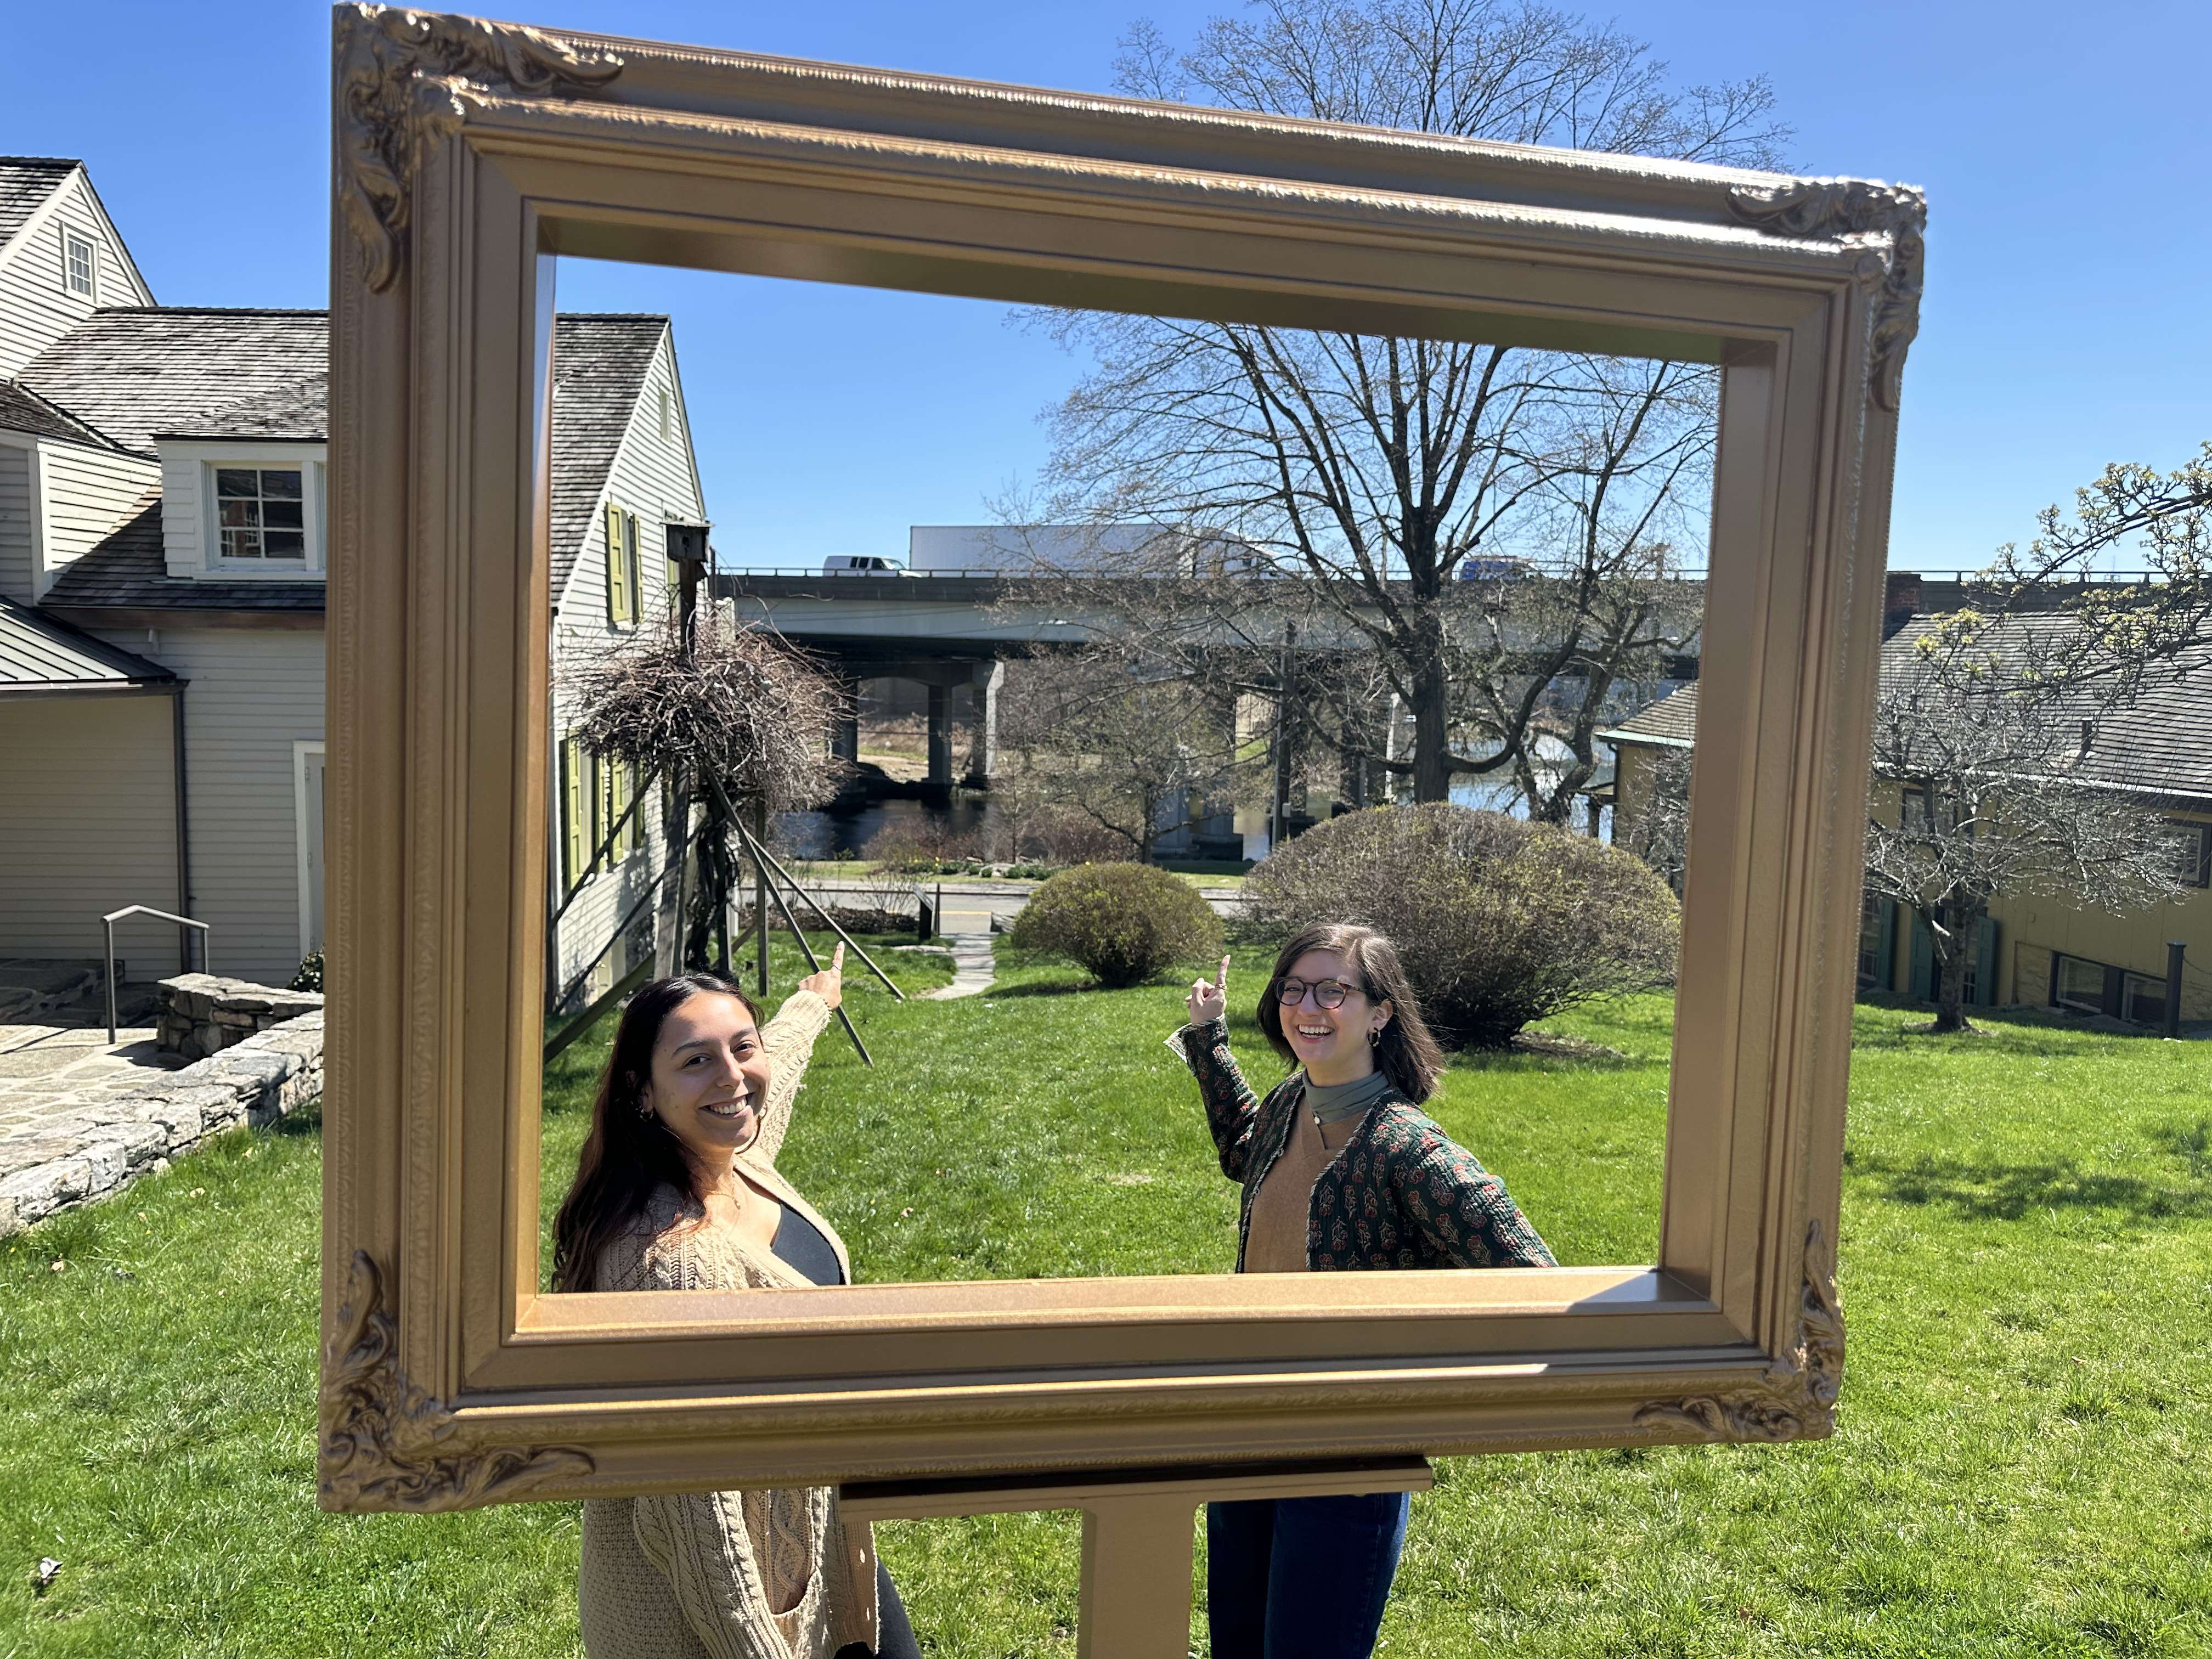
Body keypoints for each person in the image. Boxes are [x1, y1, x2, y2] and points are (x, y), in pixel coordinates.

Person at [1170, 922, 1555, 1659]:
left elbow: (1530, 1277)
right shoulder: (1290, 1104)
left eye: (1332, 991)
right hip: (1245, 1426)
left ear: (1379, 1013)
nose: (1307, 1005)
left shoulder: (1408, 1148)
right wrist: (1210, 1039)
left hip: (1341, 1458)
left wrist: (1416, 1377)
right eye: (1293, 987)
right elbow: (1243, 1150)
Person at [554, 947, 922, 1659]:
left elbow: (768, 1081)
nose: (733, 1077)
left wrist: (814, 1002)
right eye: (696, 1062)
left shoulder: (735, 1163)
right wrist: (764, 1648)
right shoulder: (672, 1261)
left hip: (814, 1553)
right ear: (644, 1092)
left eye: (740, 1047)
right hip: (719, 1617)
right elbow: (699, 1523)